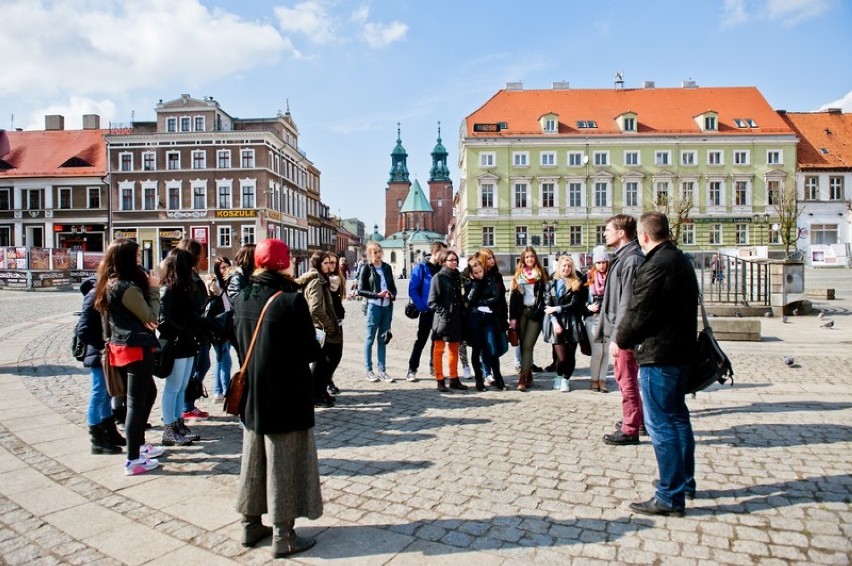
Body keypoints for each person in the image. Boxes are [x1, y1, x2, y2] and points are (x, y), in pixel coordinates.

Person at [232, 238, 323, 557]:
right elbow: (309, 350)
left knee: (253, 459)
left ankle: (250, 524)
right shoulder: (290, 300)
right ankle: (283, 535)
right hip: (286, 394)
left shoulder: (242, 296)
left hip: (252, 393)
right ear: (284, 264)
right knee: (284, 461)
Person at [616, 212, 698, 517]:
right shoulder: (680, 259)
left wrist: (621, 340)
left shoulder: (657, 265)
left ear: (644, 236)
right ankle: (682, 481)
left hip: (659, 354)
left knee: (661, 424)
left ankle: (669, 494)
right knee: (678, 420)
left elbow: (639, 312)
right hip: (681, 352)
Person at [94, 238, 164, 476]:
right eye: (135, 257)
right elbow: (151, 318)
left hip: (123, 346)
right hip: (134, 347)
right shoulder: (126, 287)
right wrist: (155, 289)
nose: (139, 260)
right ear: (125, 259)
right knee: (135, 403)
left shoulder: (110, 284)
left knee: (148, 394)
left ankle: (139, 446)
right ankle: (133, 458)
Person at [593, 214, 646, 446]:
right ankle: (636, 419)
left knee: (627, 380)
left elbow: (627, 303)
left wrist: (618, 337)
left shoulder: (632, 259)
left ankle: (631, 428)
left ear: (621, 232)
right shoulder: (624, 257)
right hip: (620, 328)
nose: (605, 233)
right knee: (627, 378)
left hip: (624, 332)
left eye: (608, 230)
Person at [157, 248, 202, 446]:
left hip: (187, 342)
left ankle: (178, 423)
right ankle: (168, 428)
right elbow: (164, 321)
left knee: (182, 387)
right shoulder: (168, 289)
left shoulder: (186, 287)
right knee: (173, 387)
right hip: (176, 343)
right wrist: (184, 331)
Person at [76, 276, 125, 454]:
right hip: (98, 354)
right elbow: (83, 330)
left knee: (106, 394)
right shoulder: (93, 295)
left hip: (107, 352)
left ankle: (110, 431)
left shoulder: (108, 292)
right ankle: (96, 439)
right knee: (98, 394)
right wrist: (102, 346)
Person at [296, 251, 342, 408]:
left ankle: (320, 391)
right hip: (321, 328)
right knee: (324, 360)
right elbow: (315, 308)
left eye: (331, 262)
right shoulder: (316, 281)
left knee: (326, 360)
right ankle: (316, 393)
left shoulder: (323, 279)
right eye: (325, 262)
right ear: (317, 264)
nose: (329, 266)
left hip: (323, 326)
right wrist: (329, 325)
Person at [542, 255, 588, 392]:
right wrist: (554, 321)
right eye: (564, 266)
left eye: (569, 266)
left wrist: (557, 308)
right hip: (556, 321)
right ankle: (558, 376)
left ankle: (566, 379)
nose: (566, 268)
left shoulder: (576, 283)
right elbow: (547, 304)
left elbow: (574, 304)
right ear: (559, 267)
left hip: (572, 321)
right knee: (561, 357)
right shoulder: (550, 284)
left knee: (570, 355)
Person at [176, 238, 211, 421]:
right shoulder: (186, 279)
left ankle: (189, 403)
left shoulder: (194, 277)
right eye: (202, 253)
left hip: (200, 331)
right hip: (194, 332)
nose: (205, 256)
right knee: (192, 370)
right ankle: (186, 406)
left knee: (203, 365)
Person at [464, 256, 507, 391]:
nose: (479, 275)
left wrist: (482, 303)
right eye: (475, 273)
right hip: (474, 319)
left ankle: (499, 378)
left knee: (492, 348)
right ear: (471, 273)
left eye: (480, 272)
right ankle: (479, 380)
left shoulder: (490, 280)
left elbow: (496, 297)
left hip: (488, 319)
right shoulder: (469, 283)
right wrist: (474, 284)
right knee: (477, 349)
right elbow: (469, 300)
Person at [406, 241, 447, 382]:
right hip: (426, 311)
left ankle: (434, 367)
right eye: (443, 253)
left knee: (437, 340)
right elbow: (413, 289)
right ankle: (412, 369)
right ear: (435, 252)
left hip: (440, 311)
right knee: (421, 340)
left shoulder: (443, 268)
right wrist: (422, 306)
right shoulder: (422, 268)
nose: (445, 256)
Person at [509, 247, 548, 391]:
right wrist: (512, 318)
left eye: (532, 256)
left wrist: (539, 310)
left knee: (527, 345)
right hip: (521, 313)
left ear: (535, 258)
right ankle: (528, 374)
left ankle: (523, 378)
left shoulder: (541, 274)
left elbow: (546, 295)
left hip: (535, 313)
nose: (530, 259)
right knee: (522, 344)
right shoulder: (519, 275)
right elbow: (513, 297)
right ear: (523, 259)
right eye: (527, 257)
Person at [428, 249, 467, 392]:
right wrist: (445, 312)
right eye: (451, 260)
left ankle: (454, 378)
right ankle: (439, 379)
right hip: (442, 320)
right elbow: (432, 301)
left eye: (455, 259)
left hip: (456, 318)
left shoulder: (457, 276)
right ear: (443, 262)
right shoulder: (438, 277)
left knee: (454, 350)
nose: (454, 262)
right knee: (439, 350)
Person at [358, 241, 396, 383]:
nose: (378, 254)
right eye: (375, 252)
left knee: (383, 338)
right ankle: (369, 370)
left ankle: (382, 370)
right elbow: (360, 290)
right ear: (370, 254)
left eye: (379, 251)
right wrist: (377, 295)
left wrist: (391, 294)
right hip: (373, 306)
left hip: (386, 306)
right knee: (370, 338)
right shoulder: (366, 268)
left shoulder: (387, 267)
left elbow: (392, 286)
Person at [478, 248, 509, 389]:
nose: (492, 260)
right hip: (485, 317)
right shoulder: (479, 276)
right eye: (489, 258)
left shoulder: (497, 276)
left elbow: (502, 298)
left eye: (492, 257)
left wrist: (505, 317)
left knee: (502, 346)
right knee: (490, 347)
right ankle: (491, 374)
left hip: (498, 315)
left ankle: (489, 371)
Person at [586, 246, 610, 392]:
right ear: (594, 263)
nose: (601, 265)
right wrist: (588, 307)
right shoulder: (588, 278)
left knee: (606, 352)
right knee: (597, 352)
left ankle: (602, 380)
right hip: (593, 318)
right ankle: (594, 379)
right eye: (599, 262)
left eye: (604, 262)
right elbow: (581, 299)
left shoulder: (611, 277)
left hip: (607, 318)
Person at [210, 256, 233, 402]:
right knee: (225, 360)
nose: (226, 270)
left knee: (220, 360)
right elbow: (225, 305)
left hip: (226, 324)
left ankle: (218, 391)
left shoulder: (228, 282)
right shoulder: (215, 284)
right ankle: (225, 392)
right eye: (222, 267)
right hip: (219, 326)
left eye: (227, 266)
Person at [325, 252, 346, 396]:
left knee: (337, 354)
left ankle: (327, 379)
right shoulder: (323, 280)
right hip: (327, 321)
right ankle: (326, 381)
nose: (332, 265)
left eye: (334, 262)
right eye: (329, 262)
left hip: (338, 319)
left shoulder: (338, 279)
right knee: (327, 354)